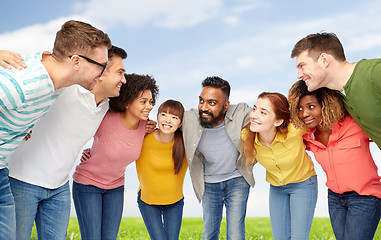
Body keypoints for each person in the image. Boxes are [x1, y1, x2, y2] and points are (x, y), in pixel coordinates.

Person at [0, 20, 111, 239]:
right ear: (76, 61)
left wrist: (25, 125)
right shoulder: (18, 86)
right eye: (101, 66)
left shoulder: (57, 80)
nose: (103, 74)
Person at [288, 80, 381, 240]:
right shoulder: (306, 136)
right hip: (335, 198)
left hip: (365, 197)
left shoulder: (355, 123)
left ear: (326, 104)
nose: (304, 114)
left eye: (311, 106)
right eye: (300, 109)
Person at [72, 73, 159, 240]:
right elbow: (76, 132)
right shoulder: (105, 118)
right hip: (87, 184)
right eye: (143, 102)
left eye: (150, 102)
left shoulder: (146, 127)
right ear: (127, 102)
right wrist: (89, 151)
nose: (149, 106)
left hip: (116, 187)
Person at [182, 76, 255, 240]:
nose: (204, 107)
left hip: (237, 180)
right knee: (209, 233)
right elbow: (168, 120)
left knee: (235, 233)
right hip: (208, 184)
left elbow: (266, 115)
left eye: (212, 103)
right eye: (201, 101)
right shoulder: (190, 118)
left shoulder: (241, 112)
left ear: (226, 105)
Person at [242, 92, 317, 240]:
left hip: (303, 184)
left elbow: (319, 123)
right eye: (255, 109)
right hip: (277, 188)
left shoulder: (295, 130)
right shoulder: (247, 135)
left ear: (277, 121)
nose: (254, 115)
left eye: (263, 112)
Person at [291, 32, 381, 149]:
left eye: (302, 66)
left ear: (324, 60)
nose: (299, 75)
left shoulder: (375, 72)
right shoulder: (339, 98)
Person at [136, 99, 187, 240]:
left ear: (181, 123)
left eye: (174, 117)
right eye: (164, 114)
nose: (168, 120)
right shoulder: (143, 137)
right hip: (148, 202)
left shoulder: (185, 144)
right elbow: (121, 141)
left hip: (175, 203)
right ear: (157, 117)